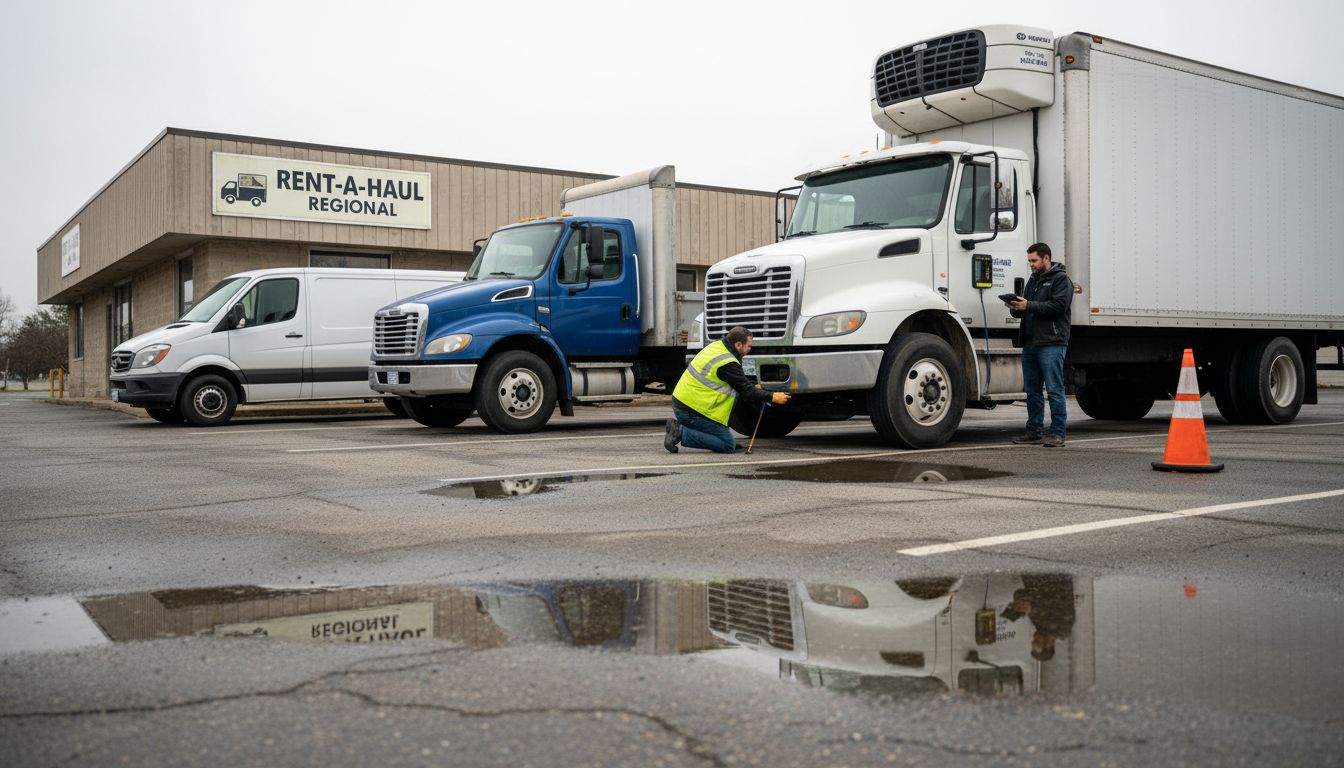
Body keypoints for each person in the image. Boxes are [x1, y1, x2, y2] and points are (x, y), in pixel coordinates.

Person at [664, 326, 790, 453]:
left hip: (686, 403)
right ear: (739, 345)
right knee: (727, 444)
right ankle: (680, 432)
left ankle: (686, 430)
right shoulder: (727, 363)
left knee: (725, 439)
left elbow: (735, 380)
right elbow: (746, 391)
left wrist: (752, 384)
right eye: (748, 346)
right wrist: (772, 397)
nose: (750, 349)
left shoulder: (718, 347)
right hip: (692, 411)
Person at [1007, 243, 1072, 447]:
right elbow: (1029, 309)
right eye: (1029, 261)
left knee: (1054, 389)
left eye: (1034, 261)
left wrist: (1029, 305)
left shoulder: (1061, 279)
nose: (1031, 265)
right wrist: (1016, 308)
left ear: (1046, 258)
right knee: (1032, 390)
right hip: (1031, 343)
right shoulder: (1033, 281)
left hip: (1051, 342)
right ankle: (1034, 431)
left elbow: (1059, 306)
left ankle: (1057, 434)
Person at [1001, 574, 1076, 661]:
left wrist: (1019, 603)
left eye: (1034, 640)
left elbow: (1022, 592)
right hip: (1054, 573)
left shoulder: (1038, 623)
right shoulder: (1063, 628)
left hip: (1033, 573)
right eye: (1037, 641)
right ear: (1049, 644)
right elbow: (1057, 600)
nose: (1034, 636)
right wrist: (1033, 606)